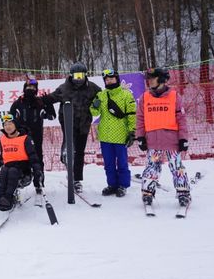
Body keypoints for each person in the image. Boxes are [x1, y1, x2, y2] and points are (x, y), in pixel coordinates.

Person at [42, 62, 101, 193]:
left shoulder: (92, 88)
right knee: (70, 147)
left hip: (84, 124)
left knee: (80, 151)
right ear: (71, 75)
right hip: (68, 122)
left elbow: (103, 98)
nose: (78, 79)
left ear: (85, 75)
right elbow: (51, 98)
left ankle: (76, 179)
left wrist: (99, 102)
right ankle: (66, 154)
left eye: (81, 75)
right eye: (76, 76)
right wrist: (41, 100)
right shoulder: (65, 88)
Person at [136, 67, 191, 207]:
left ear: (161, 79)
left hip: (171, 142)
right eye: (148, 79)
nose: (149, 81)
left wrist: (183, 138)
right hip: (153, 142)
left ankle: (183, 192)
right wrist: (141, 137)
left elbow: (181, 119)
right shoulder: (145, 97)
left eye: (152, 78)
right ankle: (148, 192)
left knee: (177, 167)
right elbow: (140, 119)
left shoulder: (174, 96)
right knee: (152, 167)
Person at [89, 69, 136, 197]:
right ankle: (112, 185)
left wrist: (132, 132)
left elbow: (132, 115)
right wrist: (94, 105)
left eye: (111, 78)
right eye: (106, 79)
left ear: (117, 79)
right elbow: (94, 113)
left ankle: (123, 185)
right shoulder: (101, 95)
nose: (109, 81)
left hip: (121, 135)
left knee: (122, 162)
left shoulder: (126, 95)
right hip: (105, 136)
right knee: (108, 163)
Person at [0, 114, 43, 211]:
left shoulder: (25, 138)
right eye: (5, 125)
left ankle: (8, 198)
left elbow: (33, 156)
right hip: (8, 168)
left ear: (15, 125)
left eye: (10, 124)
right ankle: (0, 196)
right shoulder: (3, 139)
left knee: (12, 171)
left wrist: (37, 170)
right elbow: (3, 157)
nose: (7, 127)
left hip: (24, 171)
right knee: (4, 170)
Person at [9, 78, 56, 184]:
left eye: (33, 87)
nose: (30, 89)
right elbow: (10, 120)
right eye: (28, 87)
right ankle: (23, 179)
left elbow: (52, 116)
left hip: (36, 137)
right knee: (22, 159)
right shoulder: (18, 103)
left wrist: (49, 104)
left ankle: (39, 181)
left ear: (36, 89)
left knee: (38, 159)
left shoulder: (40, 102)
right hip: (21, 137)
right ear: (24, 89)